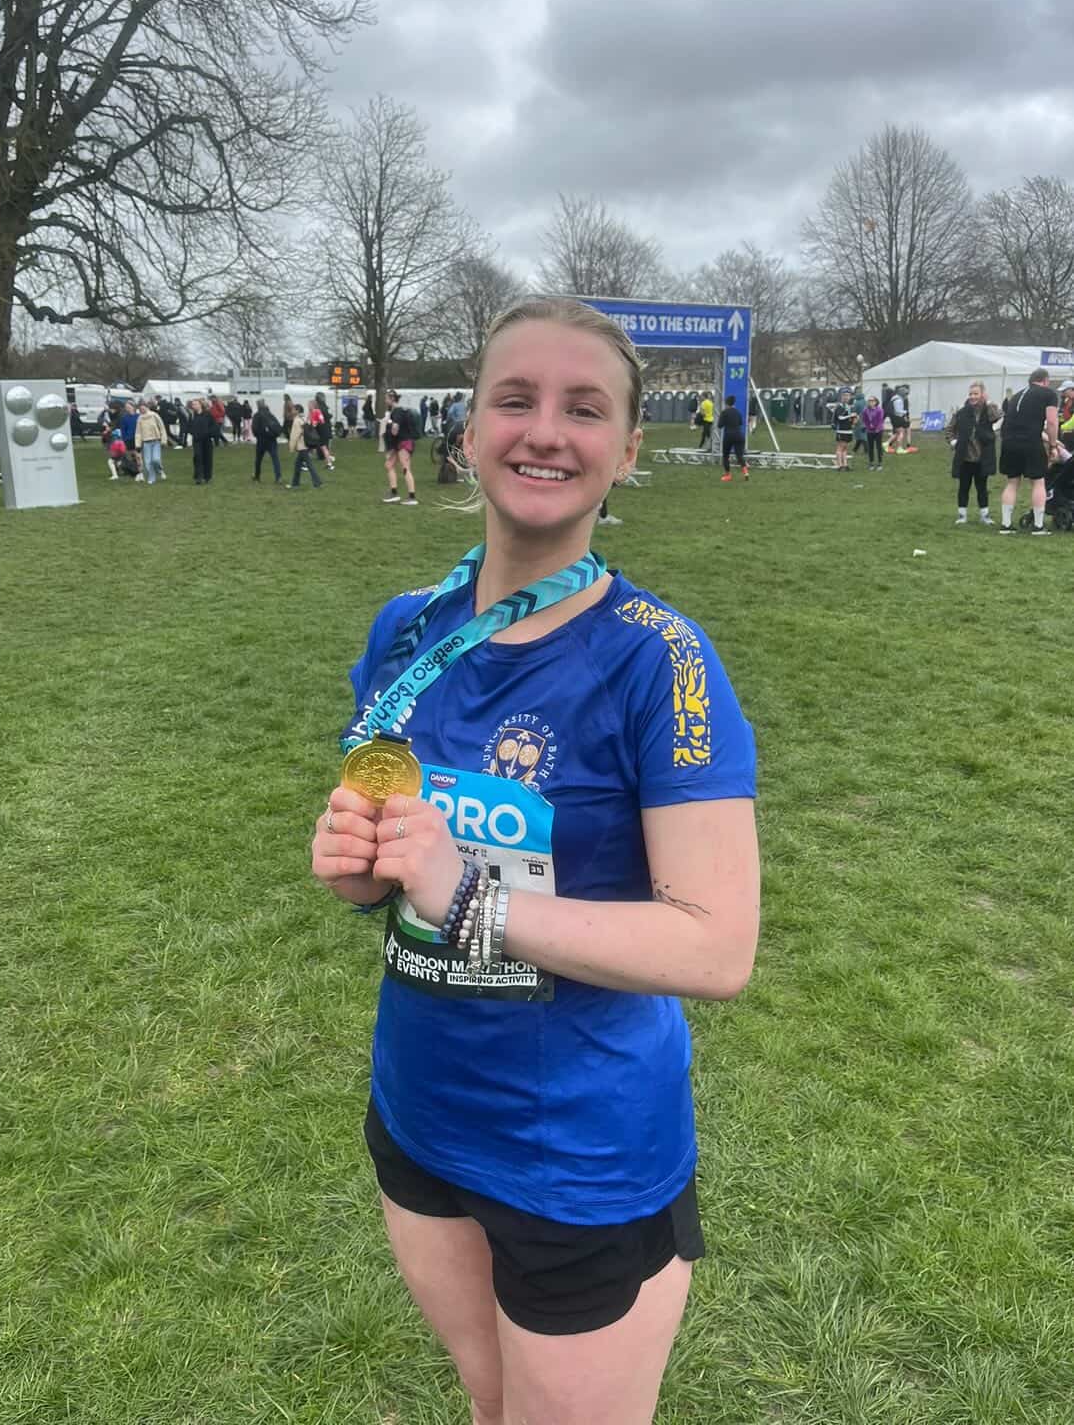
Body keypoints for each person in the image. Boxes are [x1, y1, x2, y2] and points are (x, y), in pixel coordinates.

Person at [312, 295, 758, 1425]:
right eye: (514, 400)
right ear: (468, 430)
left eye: (583, 408)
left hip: (580, 1155)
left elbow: (716, 946)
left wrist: (467, 894)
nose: (544, 430)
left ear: (625, 450)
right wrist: (361, 867)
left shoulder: (660, 660)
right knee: (490, 1408)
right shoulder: (405, 631)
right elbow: (384, 858)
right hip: (419, 1111)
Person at [999, 367, 1060, 535]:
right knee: (1038, 482)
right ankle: (1039, 526)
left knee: (1012, 482)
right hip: (1030, 443)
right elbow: (1052, 421)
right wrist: (1053, 445)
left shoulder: (1017, 396)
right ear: (1045, 381)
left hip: (1008, 442)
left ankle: (1006, 525)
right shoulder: (1048, 394)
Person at [947, 382, 999, 526]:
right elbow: (949, 430)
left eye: (976, 393)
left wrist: (988, 402)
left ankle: (985, 515)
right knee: (963, 487)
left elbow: (997, 416)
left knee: (982, 488)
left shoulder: (988, 411)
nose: (972, 397)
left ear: (982, 394)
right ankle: (962, 515)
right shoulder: (961, 412)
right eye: (970, 394)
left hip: (983, 458)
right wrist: (953, 442)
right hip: (965, 457)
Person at [382, 389, 419, 506]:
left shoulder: (397, 411)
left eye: (386, 398)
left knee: (405, 467)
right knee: (388, 465)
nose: (385, 400)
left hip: (405, 442)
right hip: (399, 443)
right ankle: (394, 493)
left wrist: (389, 427)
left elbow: (395, 430)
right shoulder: (397, 411)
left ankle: (412, 497)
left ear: (392, 399)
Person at [288, 403, 323, 489]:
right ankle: (295, 483)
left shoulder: (296, 420)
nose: (292, 411)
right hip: (306, 444)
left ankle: (317, 482)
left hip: (301, 445)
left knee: (309, 465)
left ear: (297, 411)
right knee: (297, 465)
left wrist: (291, 447)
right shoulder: (304, 418)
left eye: (293, 409)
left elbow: (294, 435)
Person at [135, 398, 169, 485]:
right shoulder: (140, 419)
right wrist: (137, 444)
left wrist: (164, 440)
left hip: (156, 441)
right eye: (140, 409)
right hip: (146, 442)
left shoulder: (154, 415)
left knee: (156, 459)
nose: (142, 410)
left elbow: (162, 428)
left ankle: (160, 470)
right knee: (147, 462)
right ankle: (151, 478)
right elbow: (138, 433)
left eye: (143, 408)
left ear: (147, 407)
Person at [251, 399, 284, 484]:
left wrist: (258, 435)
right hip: (272, 440)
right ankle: (278, 477)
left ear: (258, 406)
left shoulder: (257, 415)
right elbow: (278, 426)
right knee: (275, 459)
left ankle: (257, 477)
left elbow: (254, 429)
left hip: (261, 440)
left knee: (258, 460)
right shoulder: (270, 415)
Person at [717, 394, 748, 481]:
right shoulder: (738, 412)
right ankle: (745, 472)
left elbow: (719, 425)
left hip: (729, 435)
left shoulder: (724, 412)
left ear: (726, 403)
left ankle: (728, 475)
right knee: (739, 455)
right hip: (739, 435)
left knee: (725, 456)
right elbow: (740, 423)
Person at [188, 397, 215, 484]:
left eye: (195, 404)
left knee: (207, 457)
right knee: (197, 457)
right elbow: (189, 426)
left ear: (200, 405)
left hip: (206, 440)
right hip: (197, 440)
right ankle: (199, 477)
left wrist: (208, 433)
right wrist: (193, 432)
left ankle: (207, 476)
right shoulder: (192, 415)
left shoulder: (207, 415)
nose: (194, 406)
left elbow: (214, 427)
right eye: (193, 404)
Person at [311, 392, 337, 470]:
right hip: (326, 428)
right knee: (324, 446)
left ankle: (329, 462)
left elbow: (318, 420)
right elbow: (327, 416)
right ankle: (328, 460)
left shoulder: (318, 408)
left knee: (322, 446)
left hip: (321, 429)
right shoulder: (325, 407)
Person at [830, 391, 855, 470]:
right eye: (845, 395)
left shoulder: (848, 406)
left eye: (848, 396)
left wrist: (853, 419)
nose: (846, 397)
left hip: (848, 429)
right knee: (840, 447)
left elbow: (849, 419)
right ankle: (839, 465)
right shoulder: (839, 406)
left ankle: (845, 464)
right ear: (842, 397)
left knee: (845, 448)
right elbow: (840, 418)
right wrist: (850, 415)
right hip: (841, 430)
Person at [861, 397, 885, 470]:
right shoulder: (865, 410)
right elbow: (864, 419)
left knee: (878, 447)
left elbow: (880, 420)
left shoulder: (879, 410)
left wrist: (877, 428)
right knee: (870, 447)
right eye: (869, 401)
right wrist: (867, 426)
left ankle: (879, 463)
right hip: (870, 431)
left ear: (876, 402)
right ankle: (871, 463)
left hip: (878, 431)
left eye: (872, 401)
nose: (870, 402)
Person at [886, 388, 908, 454]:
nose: (906, 395)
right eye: (905, 393)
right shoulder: (899, 400)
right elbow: (898, 411)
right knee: (901, 432)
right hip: (897, 418)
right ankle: (899, 448)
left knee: (897, 433)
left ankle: (886, 443)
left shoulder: (894, 398)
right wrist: (905, 412)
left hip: (893, 418)